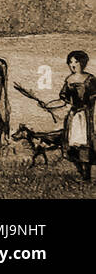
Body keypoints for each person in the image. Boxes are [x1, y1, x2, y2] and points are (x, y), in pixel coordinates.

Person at [45, 50, 96, 181]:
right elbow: (64, 99)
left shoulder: (90, 79)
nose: (73, 65)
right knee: (73, 145)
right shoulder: (69, 80)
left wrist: (87, 109)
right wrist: (49, 105)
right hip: (73, 116)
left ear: (83, 63)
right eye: (70, 62)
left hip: (86, 116)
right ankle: (82, 174)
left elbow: (93, 98)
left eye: (76, 62)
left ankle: (87, 176)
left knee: (85, 144)